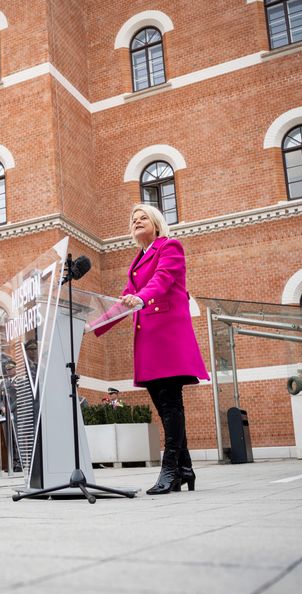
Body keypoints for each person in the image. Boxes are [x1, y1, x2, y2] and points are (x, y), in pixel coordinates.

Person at [95, 203, 209, 495]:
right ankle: (185, 469)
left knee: (171, 404)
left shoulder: (169, 247)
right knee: (165, 408)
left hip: (167, 338)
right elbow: (124, 301)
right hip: (148, 340)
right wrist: (92, 326)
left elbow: (162, 279)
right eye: (133, 219)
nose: (136, 221)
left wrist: (142, 298)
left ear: (156, 223)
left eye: (142, 217)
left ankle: (170, 470)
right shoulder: (137, 260)